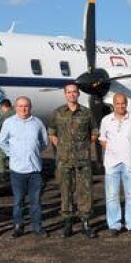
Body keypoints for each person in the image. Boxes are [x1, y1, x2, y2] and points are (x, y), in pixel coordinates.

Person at [48, 83, 98, 238]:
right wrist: (62, 147)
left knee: (85, 192)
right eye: (69, 92)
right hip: (64, 160)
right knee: (66, 192)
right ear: (65, 94)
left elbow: (94, 132)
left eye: (74, 92)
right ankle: (68, 222)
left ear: (78, 94)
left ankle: (85, 222)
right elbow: (52, 133)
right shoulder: (57, 113)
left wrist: (84, 147)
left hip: (83, 161)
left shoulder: (87, 113)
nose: (71, 95)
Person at [0, 96, 49, 238]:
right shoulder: (9, 123)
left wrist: (34, 152)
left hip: (35, 170)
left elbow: (44, 142)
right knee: (18, 201)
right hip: (17, 170)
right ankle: (18, 226)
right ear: (15, 107)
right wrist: (13, 154)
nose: (23, 109)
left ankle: (37, 226)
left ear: (30, 107)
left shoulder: (38, 123)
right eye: (20, 106)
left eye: (26, 106)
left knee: (36, 201)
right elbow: (2, 142)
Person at [99, 93, 131, 237]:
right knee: (112, 196)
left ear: (127, 104)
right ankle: (114, 225)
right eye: (118, 103)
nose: (121, 106)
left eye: (123, 103)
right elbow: (102, 139)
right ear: (113, 104)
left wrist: (129, 149)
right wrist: (114, 150)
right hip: (112, 164)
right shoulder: (106, 120)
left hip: (129, 163)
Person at [0, 96, 14, 181]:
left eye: (1, 108)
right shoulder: (17, 111)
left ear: (4, 107)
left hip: (9, 139)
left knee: (0, 154)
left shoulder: (7, 114)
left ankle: (2, 172)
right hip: (18, 139)